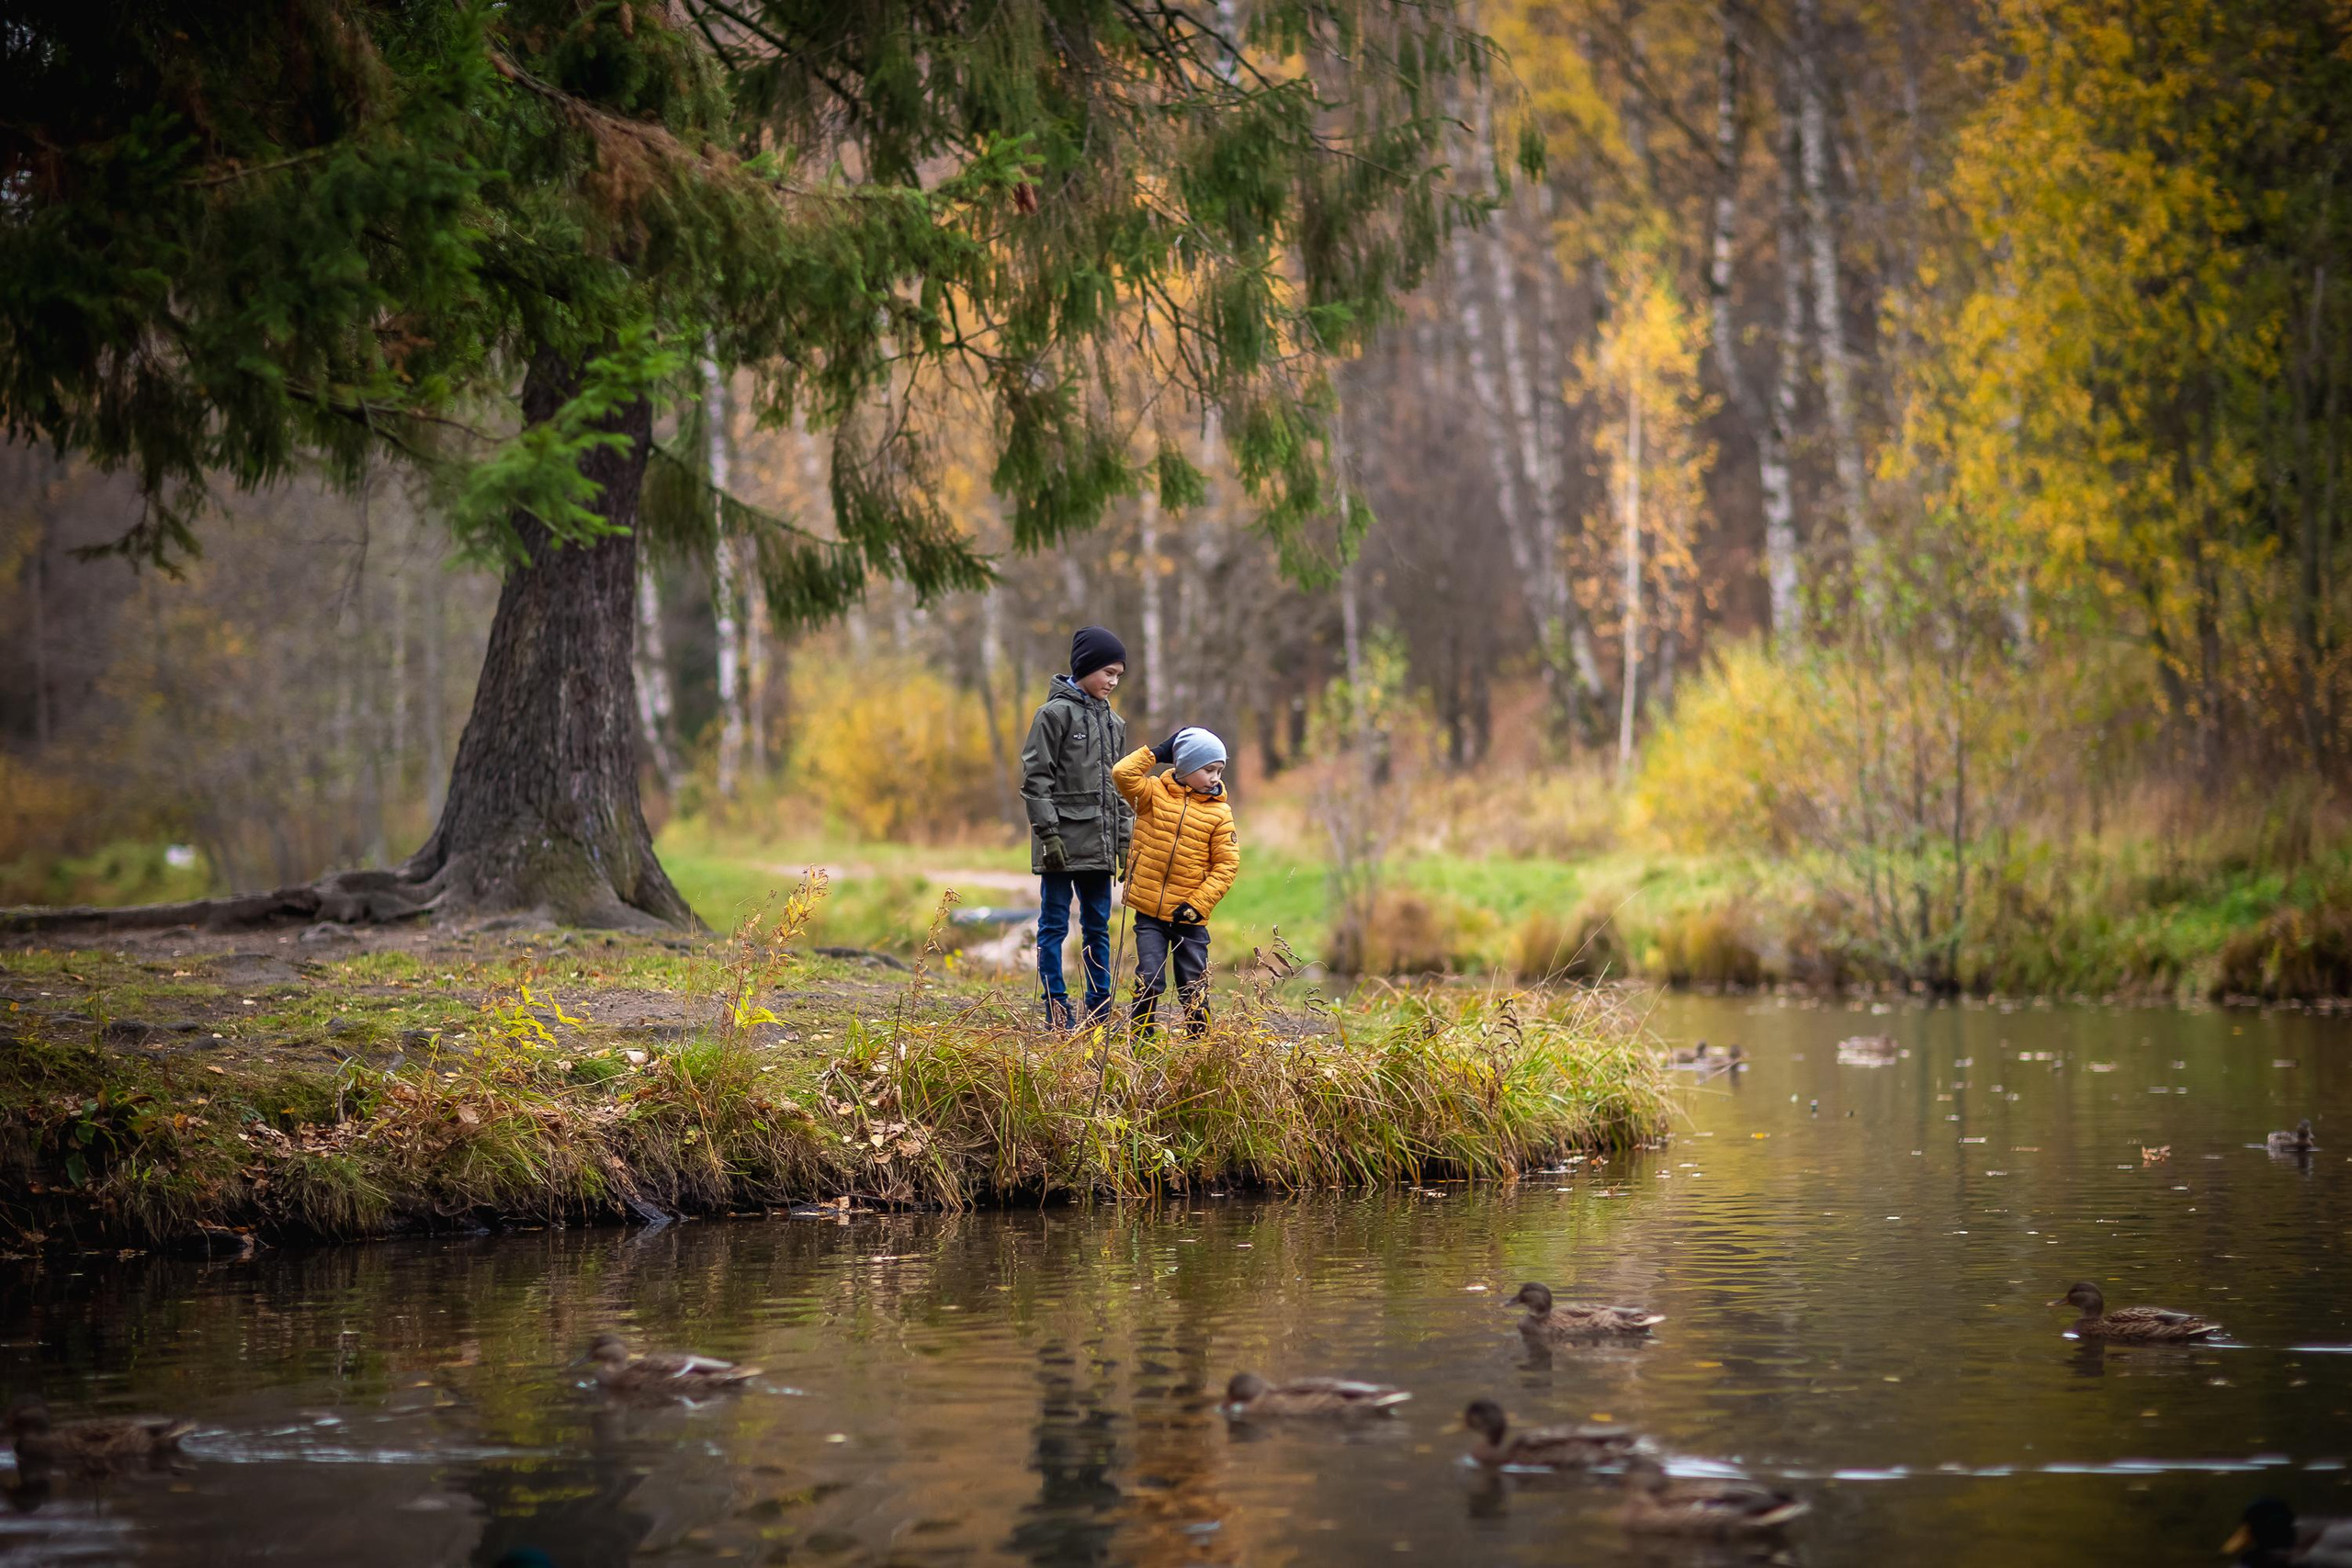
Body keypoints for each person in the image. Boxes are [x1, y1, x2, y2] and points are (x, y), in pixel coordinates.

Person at [1020, 626, 1133, 1027]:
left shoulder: (1115, 724)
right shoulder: (1053, 715)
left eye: (1119, 675)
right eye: (1107, 672)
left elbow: (1119, 789)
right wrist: (1048, 834)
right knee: (1053, 924)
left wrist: (1124, 843)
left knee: (1097, 927)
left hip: (1098, 848)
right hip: (1060, 844)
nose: (1113, 681)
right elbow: (1036, 779)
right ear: (1085, 668)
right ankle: (1055, 1006)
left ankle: (1099, 1008)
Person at [1112, 726, 1238, 1037]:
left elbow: (1227, 865)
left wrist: (1197, 905)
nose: (1215, 777)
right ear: (1185, 765)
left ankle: (1199, 1046)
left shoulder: (1219, 814)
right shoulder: (1152, 794)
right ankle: (1141, 1041)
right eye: (1209, 768)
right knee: (1149, 979)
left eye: (1220, 770)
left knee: (1192, 985)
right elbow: (1121, 773)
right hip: (1150, 914)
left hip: (1189, 918)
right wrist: (1157, 752)